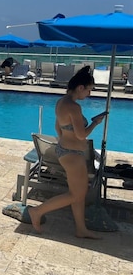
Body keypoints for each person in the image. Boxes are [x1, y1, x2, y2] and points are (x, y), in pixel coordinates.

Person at [28, 66, 106, 239]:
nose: (89, 94)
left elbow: (58, 127)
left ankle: (81, 229)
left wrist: (68, 139)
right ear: (80, 88)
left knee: (77, 194)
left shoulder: (61, 102)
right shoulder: (74, 107)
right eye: (89, 90)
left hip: (65, 150)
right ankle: (37, 211)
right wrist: (95, 123)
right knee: (77, 194)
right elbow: (81, 134)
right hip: (73, 154)